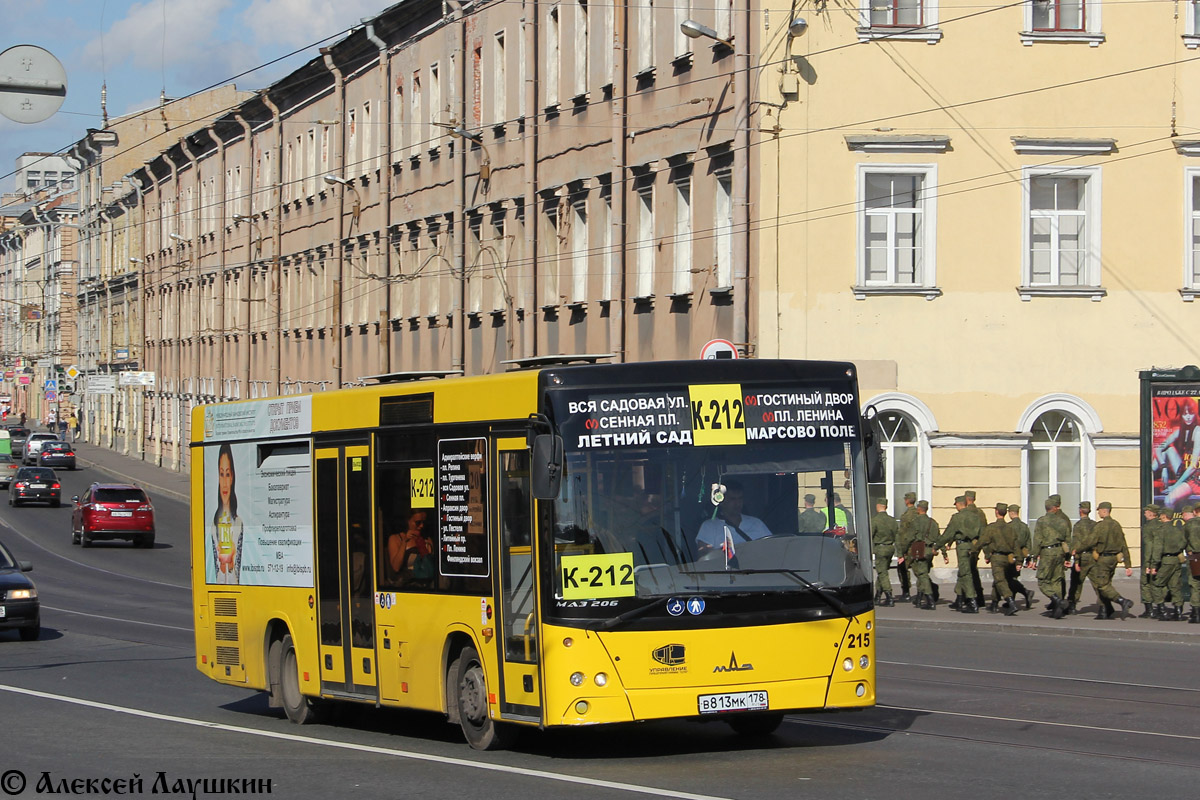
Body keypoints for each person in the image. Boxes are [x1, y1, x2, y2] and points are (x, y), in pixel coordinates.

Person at [1086, 501, 1135, 620]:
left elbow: (1090, 541)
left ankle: (1123, 601)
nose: (1098, 512)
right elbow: (1124, 545)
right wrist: (1127, 564)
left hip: (1104, 559)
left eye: (1099, 510)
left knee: (1102, 585)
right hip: (1114, 559)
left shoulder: (1100, 526)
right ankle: (1105, 610)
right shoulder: (1116, 525)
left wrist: (1077, 550)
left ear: (1104, 511)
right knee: (1106, 584)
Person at [696, 480, 772, 555]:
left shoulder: (757, 523)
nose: (737, 503)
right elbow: (703, 553)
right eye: (732, 499)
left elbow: (772, 547)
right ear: (722, 501)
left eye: (740, 498)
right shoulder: (709, 526)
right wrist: (721, 552)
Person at [896, 500, 945, 610]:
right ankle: (918, 598)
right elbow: (939, 538)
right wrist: (944, 553)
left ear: (919, 509)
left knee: (922, 575)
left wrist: (901, 552)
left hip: (919, 551)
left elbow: (909, 537)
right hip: (930, 551)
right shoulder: (933, 522)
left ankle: (930, 600)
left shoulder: (916, 522)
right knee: (923, 574)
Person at [938, 496, 982, 613]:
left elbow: (948, 534)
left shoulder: (957, 518)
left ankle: (972, 602)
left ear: (959, 504)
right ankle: (959, 599)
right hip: (973, 547)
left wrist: (937, 546)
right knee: (963, 572)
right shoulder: (975, 517)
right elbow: (982, 533)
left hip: (962, 547)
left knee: (966, 573)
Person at [1157, 398, 1200, 510]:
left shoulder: (1198, 432)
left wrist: (1175, 486)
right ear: (1181, 415)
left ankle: (1171, 524)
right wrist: (1164, 467)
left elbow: (1193, 466)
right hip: (1184, 472)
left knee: (1169, 500)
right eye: (1185, 414)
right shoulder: (1179, 431)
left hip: (1195, 476)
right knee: (1168, 450)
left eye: (1191, 413)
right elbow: (1158, 448)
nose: (1188, 417)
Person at [211, 443, 243, 585]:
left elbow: (236, 569)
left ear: (232, 478)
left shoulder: (239, 522)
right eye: (221, 474)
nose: (224, 482)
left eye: (228, 474)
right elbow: (217, 568)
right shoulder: (213, 523)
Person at [1033, 497, 1070, 619]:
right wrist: (1067, 557)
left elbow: (1037, 540)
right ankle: (1057, 609)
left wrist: (1034, 558)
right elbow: (1068, 540)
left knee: (1042, 581)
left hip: (1047, 552)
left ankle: (1056, 600)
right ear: (1055, 508)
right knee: (1056, 580)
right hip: (1059, 551)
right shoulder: (1062, 521)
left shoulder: (1041, 521)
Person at [979, 502, 1019, 616]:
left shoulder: (992, 527)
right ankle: (994, 603)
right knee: (998, 579)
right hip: (1008, 558)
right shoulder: (1010, 528)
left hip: (996, 557)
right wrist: (1019, 560)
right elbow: (1016, 545)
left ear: (996, 512)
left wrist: (973, 550)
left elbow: (983, 541)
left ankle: (1010, 601)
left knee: (1000, 580)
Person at [1149, 506, 1188, 621]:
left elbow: (1157, 549)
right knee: (1175, 586)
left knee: (1156, 584)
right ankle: (1178, 611)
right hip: (1176, 559)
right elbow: (1183, 543)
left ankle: (1162, 610)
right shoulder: (1178, 530)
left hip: (1166, 560)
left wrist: (1154, 565)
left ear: (1164, 516)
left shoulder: (1161, 530)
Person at [388, 509, 434, 587]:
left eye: (424, 522)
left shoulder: (427, 540)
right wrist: (404, 542)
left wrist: (425, 547)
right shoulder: (395, 539)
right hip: (404, 583)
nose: (421, 526)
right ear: (408, 521)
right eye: (418, 523)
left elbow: (430, 566)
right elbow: (396, 567)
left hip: (423, 582)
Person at [1065, 501, 1095, 615]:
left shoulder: (1078, 525)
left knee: (1076, 583)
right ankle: (1104, 606)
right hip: (1093, 557)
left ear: (1080, 511)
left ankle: (1072, 606)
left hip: (1082, 557)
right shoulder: (1095, 525)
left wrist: (1075, 560)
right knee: (1098, 583)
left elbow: (1076, 544)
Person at [1005, 503, 1035, 608]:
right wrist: (1029, 558)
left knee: (1009, 578)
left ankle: (1026, 592)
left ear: (1010, 513)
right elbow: (1028, 543)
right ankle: (1011, 600)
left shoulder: (1008, 526)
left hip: (1011, 555)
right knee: (1013, 577)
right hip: (1021, 555)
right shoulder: (1024, 527)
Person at [870, 498, 898, 606]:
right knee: (883, 572)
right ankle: (877, 596)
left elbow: (870, 535)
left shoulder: (875, 520)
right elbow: (897, 535)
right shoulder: (892, 520)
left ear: (878, 506)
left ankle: (889, 596)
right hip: (890, 548)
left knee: (882, 573)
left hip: (880, 549)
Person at [1139, 504, 1163, 618]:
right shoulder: (1161, 525)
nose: (1144, 514)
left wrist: (1148, 563)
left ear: (1151, 513)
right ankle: (1159, 608)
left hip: (1150, 559)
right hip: (1160, 559)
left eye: (1146, 511)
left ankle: (1149, 610)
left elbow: (1149, 546)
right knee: (1158, 584)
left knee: (1145, 583)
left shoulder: (1149, 527)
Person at [894, 492, 917, 602]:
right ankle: (926, 592)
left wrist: (901, 551)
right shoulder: (918, 513)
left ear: (907, 501)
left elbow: (903, 534)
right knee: (919, 570)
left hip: (908, 547)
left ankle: (906, 592)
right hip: (918, 545)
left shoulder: (906, 516)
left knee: (902, 569)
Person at [1181, 504, 1200, 623]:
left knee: (1195, 584)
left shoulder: (1189, 525)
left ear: (1194, 511)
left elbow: (1182, 541)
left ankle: (1196, 613)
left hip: (1195, 557)